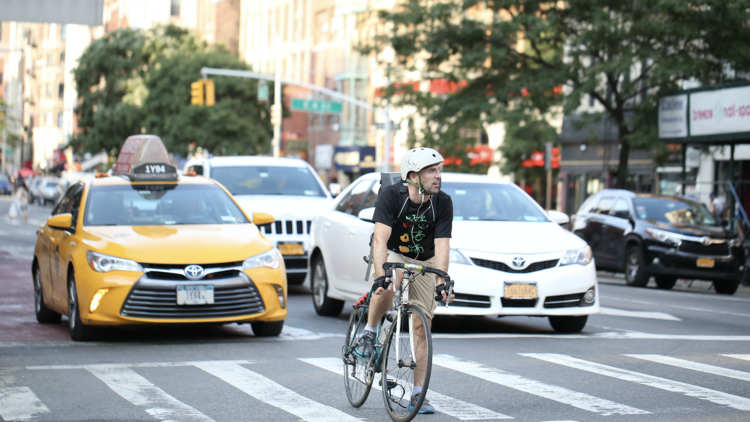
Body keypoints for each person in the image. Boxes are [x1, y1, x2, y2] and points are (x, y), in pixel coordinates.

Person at [357, 147, 455, 414]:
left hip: (425, 259)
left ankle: (417, 393)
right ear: (413, 175)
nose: (438, 176)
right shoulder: (391, 196)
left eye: (439, 170)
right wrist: (380, 275)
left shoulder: (443, 202)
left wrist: (441, 281)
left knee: (422, 325)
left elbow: (442, 246)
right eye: (432, 171)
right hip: (394, 252)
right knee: (388, 284)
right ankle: (369, 331)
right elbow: (379, 239)